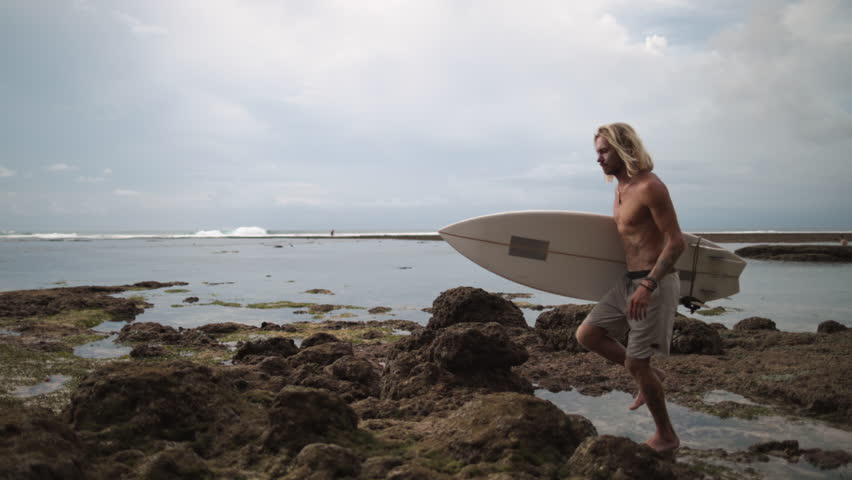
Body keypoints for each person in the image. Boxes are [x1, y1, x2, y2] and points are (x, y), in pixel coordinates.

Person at [575, 122, 686, 453]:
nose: (599, 159)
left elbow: (676, 242)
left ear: (624, 149)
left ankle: (666, 435)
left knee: (637, 364)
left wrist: (649, 285)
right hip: (628, 281)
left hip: (655, 282)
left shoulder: (651, 187)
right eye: (597, 152)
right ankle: (648, 376)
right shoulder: (619, 189)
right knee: (587, 335)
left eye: (604, 151)